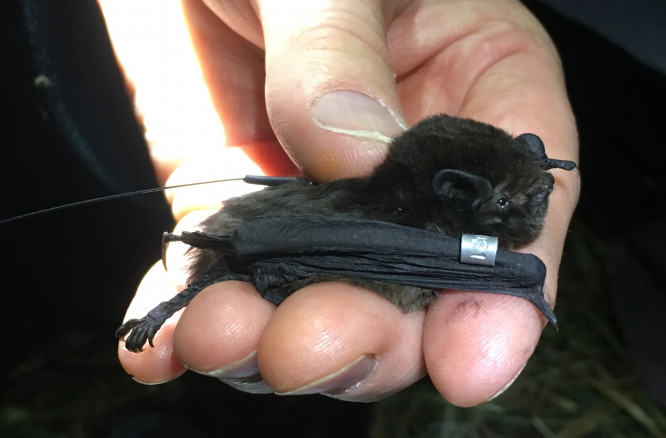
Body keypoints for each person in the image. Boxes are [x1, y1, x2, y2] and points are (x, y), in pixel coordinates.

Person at [115, 0, 580, 407]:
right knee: (261, 321)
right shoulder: (427, 232)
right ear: (457, 195)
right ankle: (184, 300)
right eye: (504, 200)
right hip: (267, 246)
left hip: (277, 230)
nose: (537, 198)